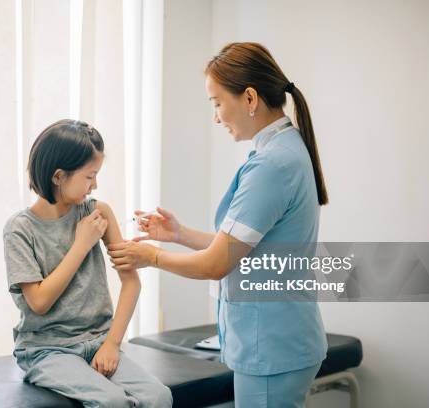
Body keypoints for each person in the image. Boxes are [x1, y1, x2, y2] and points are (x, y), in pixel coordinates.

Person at [107, 42, 329, 407]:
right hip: (282, 340)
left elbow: (216, 264)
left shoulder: (272, 165)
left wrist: (151, 257)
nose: (216, 116)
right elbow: (244, 246)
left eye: (217, 103)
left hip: (272, 346)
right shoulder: (282, 151)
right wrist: (179, 235)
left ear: (250, 98)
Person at [3, 119, 172, 408]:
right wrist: (82, 245)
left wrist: (112, 344)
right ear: (58, 176)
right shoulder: (20, 230)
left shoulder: (98, 213)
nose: (95, 185)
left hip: (99, 340)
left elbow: (131, 282)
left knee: (159, 397)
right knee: (111, 401)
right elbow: (39, 302)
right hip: (46, 349)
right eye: (89, 176)